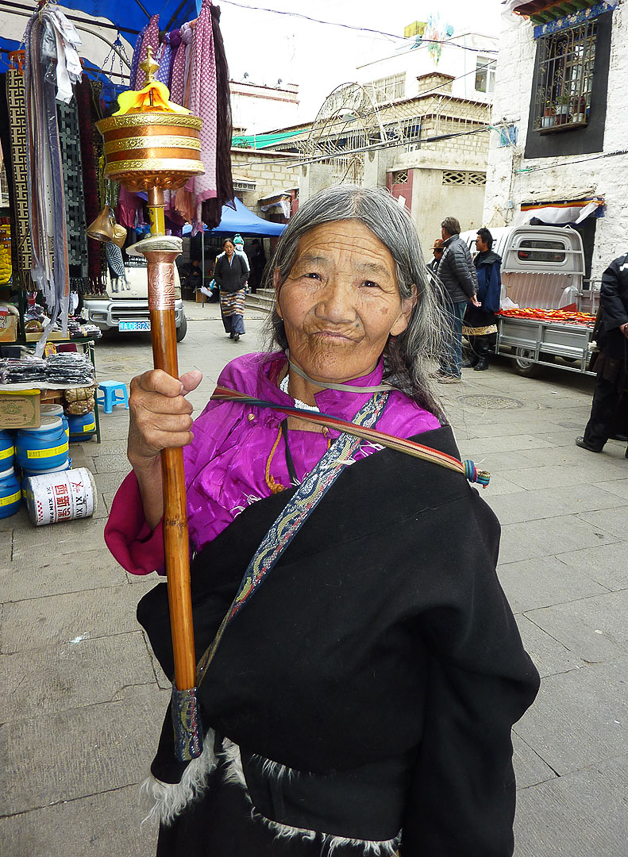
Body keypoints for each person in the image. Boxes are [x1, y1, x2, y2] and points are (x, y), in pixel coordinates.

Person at [105, 185, 539, 857]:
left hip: (333, 819)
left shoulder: (419, 461)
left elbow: (473, 687)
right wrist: (146, 457)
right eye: (313, 274)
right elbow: (173, 548)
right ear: (277, 284)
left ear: (404, 309)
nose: (336, 308)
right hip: (212, 766)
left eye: (370, 282)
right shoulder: (236, 390)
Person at [576, 251, 628, 456]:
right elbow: (609, 292)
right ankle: (600, 438)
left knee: (606, 392)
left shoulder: (620, 265)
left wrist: (623, 323)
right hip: (617, 341)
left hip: (616, 340)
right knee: (608, 391)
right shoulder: (619, 266)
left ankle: (594, 440)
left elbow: (609, 293)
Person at [435, 217, 478, 383]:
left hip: (453, 298)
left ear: (445, 230)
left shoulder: (454, 248)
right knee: (446, 335)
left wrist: (471, 293)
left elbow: (464, 273)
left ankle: (453, 372)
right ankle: (446, 368)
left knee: (452, 335)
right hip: (450, 297)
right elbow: (469, 271)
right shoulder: (456, 246)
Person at [462, 228, 502, 372]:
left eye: (477, 241)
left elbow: (494, 284)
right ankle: (473, 358)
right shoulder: (477, 258)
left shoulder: (493, 260)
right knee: (472, 331)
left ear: (485, 242)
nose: (475, 244)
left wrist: (490, 305)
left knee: (483, 334)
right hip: (474, 302)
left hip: (485, 303)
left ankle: (483, 359)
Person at [213, 238, 248, 342]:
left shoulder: (240, 258)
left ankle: (238, 331)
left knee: (237, 310)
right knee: (227, 311)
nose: (228, 249)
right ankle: (232, 330)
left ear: (234, 247)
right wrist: (222, 283)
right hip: (225, 289)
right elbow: (216, 274)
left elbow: (246, 273)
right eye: (226, 247)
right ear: (223, 248)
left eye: (230, 247)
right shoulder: (220, 260)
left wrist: (240, 282)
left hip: (238, 289)